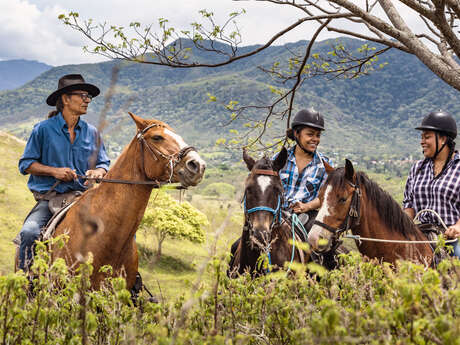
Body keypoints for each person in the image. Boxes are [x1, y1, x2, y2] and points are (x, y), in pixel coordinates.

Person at [18, 74, 110, 271]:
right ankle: (27, 284)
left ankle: (132, 284)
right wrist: (54, 171)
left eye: (88, 97)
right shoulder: (42, 130)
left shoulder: (92, 132)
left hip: (85, 198)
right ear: (66, 99)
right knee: (29, 233)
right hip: (51, 200)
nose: (87, 100)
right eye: (83, 95)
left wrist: (98, 172)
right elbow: (25, 164)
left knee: (120, 230)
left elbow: (104, 163)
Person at [403, 110, 460, 258]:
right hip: (419, 236)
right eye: (421, 137)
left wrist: (457, 227)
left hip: (450, 239)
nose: (422, 141)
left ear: (442, 139)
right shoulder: (417, 168)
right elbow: (409, 206)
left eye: (427, 137)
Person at [280, 108, 332, 233]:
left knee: (323, 247)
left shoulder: (325, 165)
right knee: (237, 247)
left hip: (307, 216)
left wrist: (306, 206)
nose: (315, 139)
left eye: (318, 135)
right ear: (297, 134)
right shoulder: (279, 159)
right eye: (310, 134)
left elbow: (325, 196)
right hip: (277, 214)